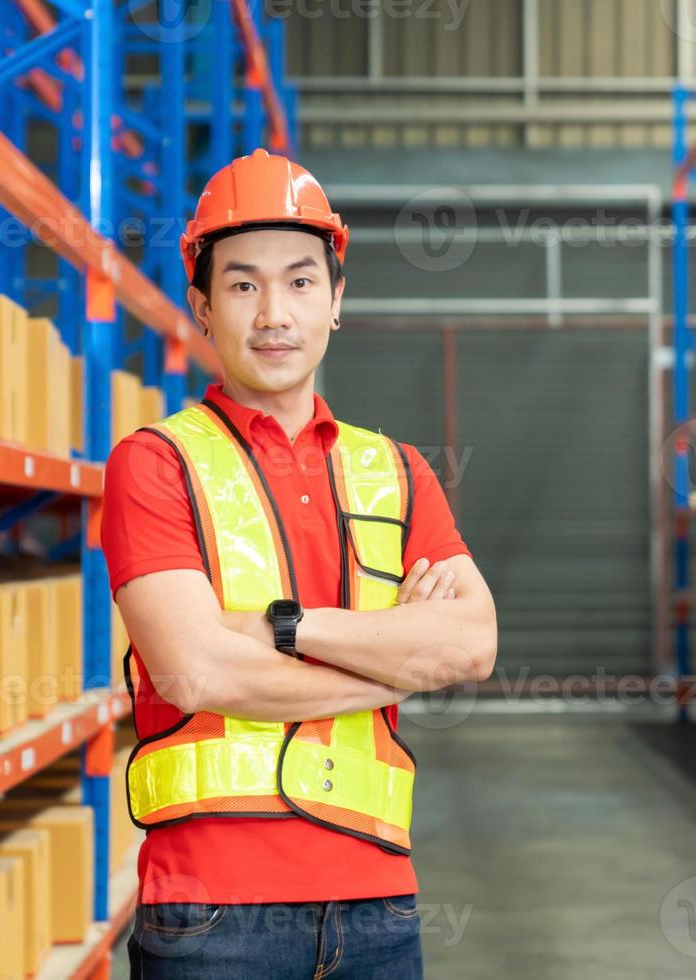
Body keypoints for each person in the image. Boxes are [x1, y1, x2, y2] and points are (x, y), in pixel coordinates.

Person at [102, 148, 497, 978]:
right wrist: (394, 663)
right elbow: (198, 673)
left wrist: (287, 628)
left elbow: (470, 645)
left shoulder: (397, 471)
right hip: (212, 918)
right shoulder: (153, 464)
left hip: (379, 904)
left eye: (301, 281)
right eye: (243, 285)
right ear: (203, 307)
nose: (274, 312)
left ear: (337, 300)